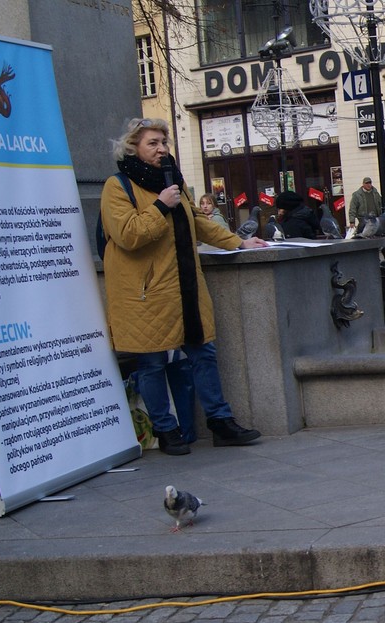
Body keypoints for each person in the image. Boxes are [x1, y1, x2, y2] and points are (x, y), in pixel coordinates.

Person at [100, 117, 264, 455]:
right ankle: (166, 430)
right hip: (145, 293)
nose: (161, 149)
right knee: (152, 363)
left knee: (203, 352)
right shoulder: (118, 186)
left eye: (164, 142)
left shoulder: (172, 179)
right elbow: (127, 235)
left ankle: (220, 421)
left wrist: (237, 242)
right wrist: (161, 205)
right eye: (152, 143)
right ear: (134, 147)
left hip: (185, 286)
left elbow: (199, 223)